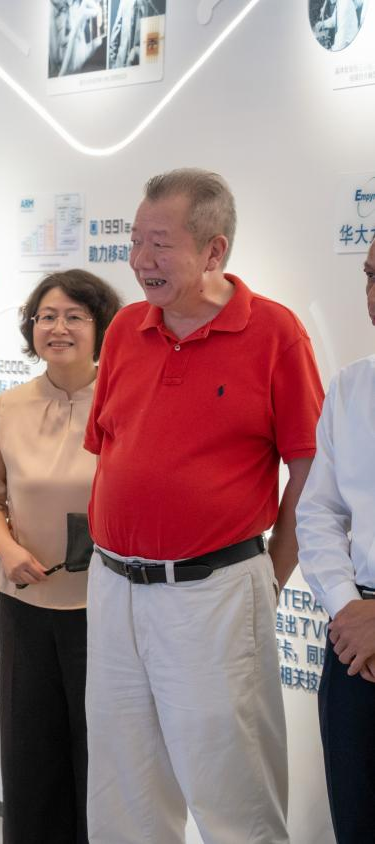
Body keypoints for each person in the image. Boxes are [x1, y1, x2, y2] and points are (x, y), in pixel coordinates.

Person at [83, 169, 323, 843]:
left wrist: (271, 574)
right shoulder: (125, 328)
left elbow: (309, 468)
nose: (140, 259)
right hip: (114, 586)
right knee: (123, 790)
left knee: (232, 794)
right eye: (135, 240)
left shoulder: (274, 332)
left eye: (160, 243)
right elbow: (109, 449)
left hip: (213, 592)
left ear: (214, 251)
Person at [0, 270, 121, 844]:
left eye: (75, 316)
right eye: (46, 316)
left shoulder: (125, 401)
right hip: (24, 606)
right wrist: (8, 550)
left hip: (107, 608)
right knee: (29, 757)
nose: (58, 328)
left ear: (101, 327)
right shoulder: (9, 407)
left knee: (102, 761)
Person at [296, 239, 375, 843]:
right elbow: (319, 511)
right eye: (371, 276)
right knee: (357, 818)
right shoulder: (351, 387)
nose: (374, 294)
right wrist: (347, 608)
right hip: (354, 641)